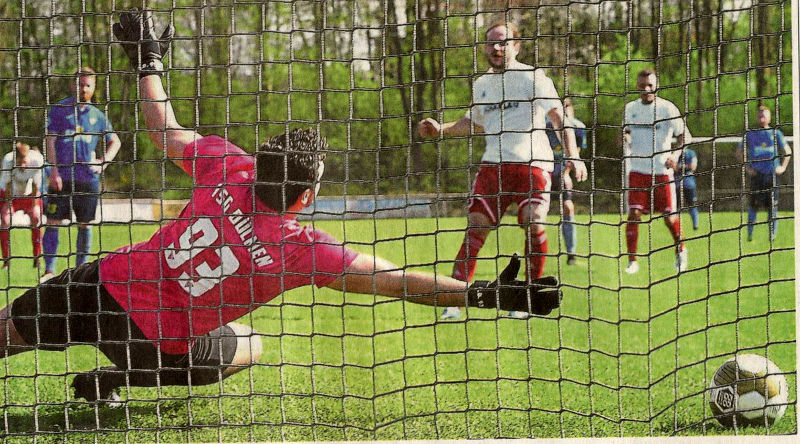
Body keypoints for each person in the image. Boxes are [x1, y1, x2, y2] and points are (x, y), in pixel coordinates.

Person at [0, 9, 562, 405]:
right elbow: (394, 280)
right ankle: (118, 377)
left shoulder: (229, 164)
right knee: (252, 345)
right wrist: (481, 294)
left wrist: (148, 62)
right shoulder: (298, 249)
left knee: (7, 332)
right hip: (156, 344)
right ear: (307, 196)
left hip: (101, 291)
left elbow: (163, 128)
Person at [417, 21, 586, 320]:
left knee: (534, 224)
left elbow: (559, 118)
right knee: (475, 227)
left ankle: (529, 299)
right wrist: (440, 129)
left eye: (503, 42)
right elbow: (473, 122)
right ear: (484, 48)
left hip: (532, 165)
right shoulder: (482, 84)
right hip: (493, 168)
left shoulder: (534, 78)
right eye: (491, 43)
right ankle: (454, 301)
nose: (497, 48)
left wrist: (573, 156)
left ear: (516, 46)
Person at [42, 66, 122, 281]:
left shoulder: (98, 116)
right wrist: (54, 170)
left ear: (93, 88)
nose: (83, 89)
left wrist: (102, 162)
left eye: (88, 85)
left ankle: (80, 271)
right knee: (52, 222)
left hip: (87, 180)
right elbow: (50, 140)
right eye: (80, 84)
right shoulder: (59, 110)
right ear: (73, 85)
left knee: (85, 224)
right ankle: (49, 270)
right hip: (62, 178)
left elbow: (115, 141)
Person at [620, 68, 691, 275]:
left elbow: (685, 137)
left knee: (669, 217)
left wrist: (675, 156)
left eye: (650, 85)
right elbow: (625, 132)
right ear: (637, 86)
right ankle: (632, 260)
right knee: (633, 214)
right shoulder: (630, 109)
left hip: (662, 172)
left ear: (656, 86)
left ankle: (681, 250)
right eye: (642, 86)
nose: (646, 89)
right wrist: (624, 139)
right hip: (637, 171)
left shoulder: (667, 109)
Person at [737, 105, 792, 241]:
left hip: (771, 176)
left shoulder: (775, 133)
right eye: (760, 115)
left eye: (764, 115)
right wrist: (748, 168)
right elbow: (739, 152)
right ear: (757, 117)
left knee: (772, 205)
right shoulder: (750, 134)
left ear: (769, 117)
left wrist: (782, 167)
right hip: (757, 176)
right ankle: (750, 234)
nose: (762, 117)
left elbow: (788, 151)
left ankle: (772, 235)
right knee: (753, 205)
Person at [545, 98, 587, 265]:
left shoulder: (578, 127)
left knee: (568, 207)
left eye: (567, 106)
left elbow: (575, 153)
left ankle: (571, 254)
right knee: (535, 212)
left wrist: (566, 172)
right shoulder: (544, 124)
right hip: (544, 172)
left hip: (562, 173)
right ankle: (534, 252)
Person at [0, 142, 45, 268]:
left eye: (25, 162)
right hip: (11, 194)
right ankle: (6, 260)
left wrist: (34, 205)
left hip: (30, 193)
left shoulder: (37, 160)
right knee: (5, 221)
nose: (23, 166)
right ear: (16, 159)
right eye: (20, 162)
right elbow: (7, 186)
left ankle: (37, 258)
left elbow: (36, 186)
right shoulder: (8, 161)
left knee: (37, 218)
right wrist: (7, 205)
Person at [674, 146, 699, 231]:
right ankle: (677, 227)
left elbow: (693, 167)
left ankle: (695, 225)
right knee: (676, 207)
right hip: (677, 184)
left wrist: (680, 167)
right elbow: (674, 167)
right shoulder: (674, 154)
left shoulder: (691, 153)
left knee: (692, 204)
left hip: (689, 184)